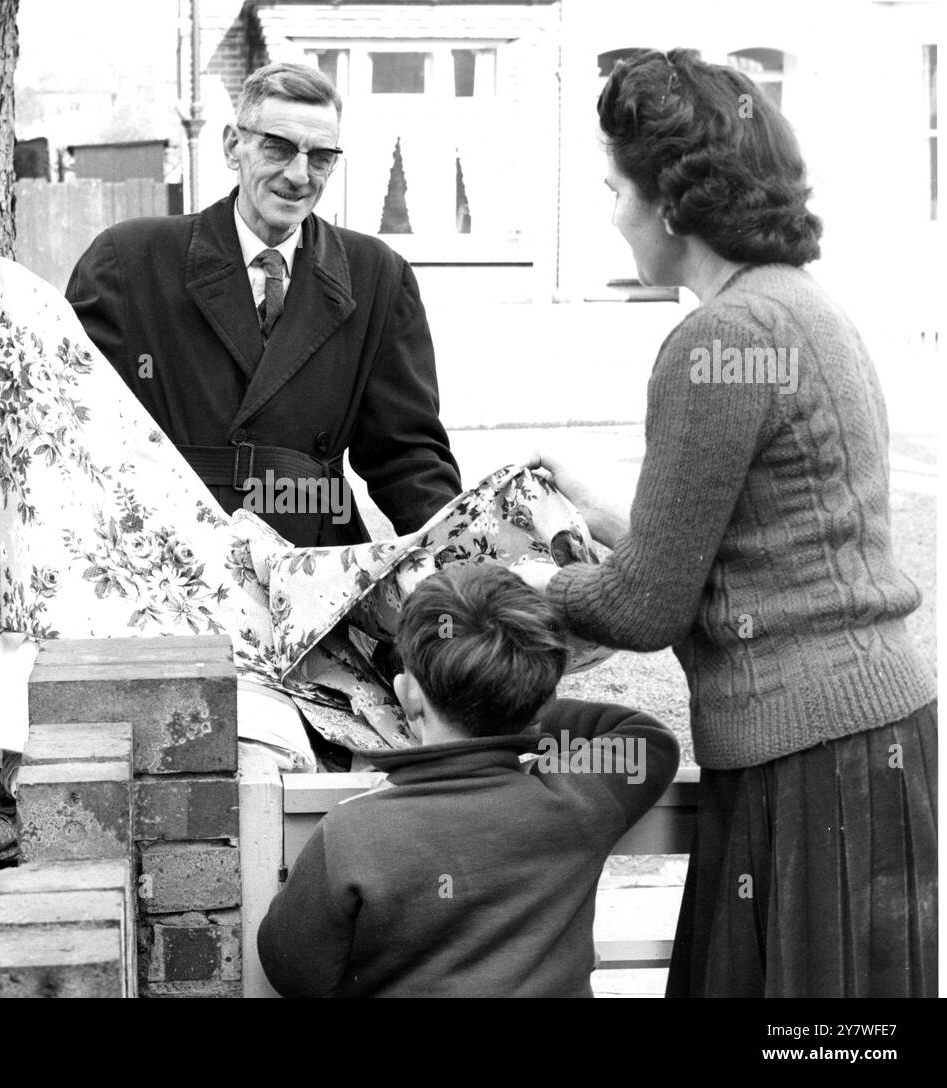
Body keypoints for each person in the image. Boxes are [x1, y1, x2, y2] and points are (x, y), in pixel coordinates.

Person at [513, 48, 938, 998]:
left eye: (616, 189)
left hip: (807, 754)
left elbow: (646, 608)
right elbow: (758, 547)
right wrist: (605, 519)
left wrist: (516, 584)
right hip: (866, 732)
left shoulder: (718, 338)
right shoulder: (800, 309)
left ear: (671, 204)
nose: (612, 215)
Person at [65, 61, 462, 547]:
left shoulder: (377, 275)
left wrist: (463, 560)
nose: (299, 175)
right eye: (279, 147)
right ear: (234, 145)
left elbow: (407, 455)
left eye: (320, 157)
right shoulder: (129, 262)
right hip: (173, 557)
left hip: (310, 563)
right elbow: (76, 429)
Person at [256, 562, 678, 997]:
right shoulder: (577, 801)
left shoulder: (351, 832)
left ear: (409, 695)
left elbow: (293, 972)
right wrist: (522, 702)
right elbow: (649, 741)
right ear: (545, 700)